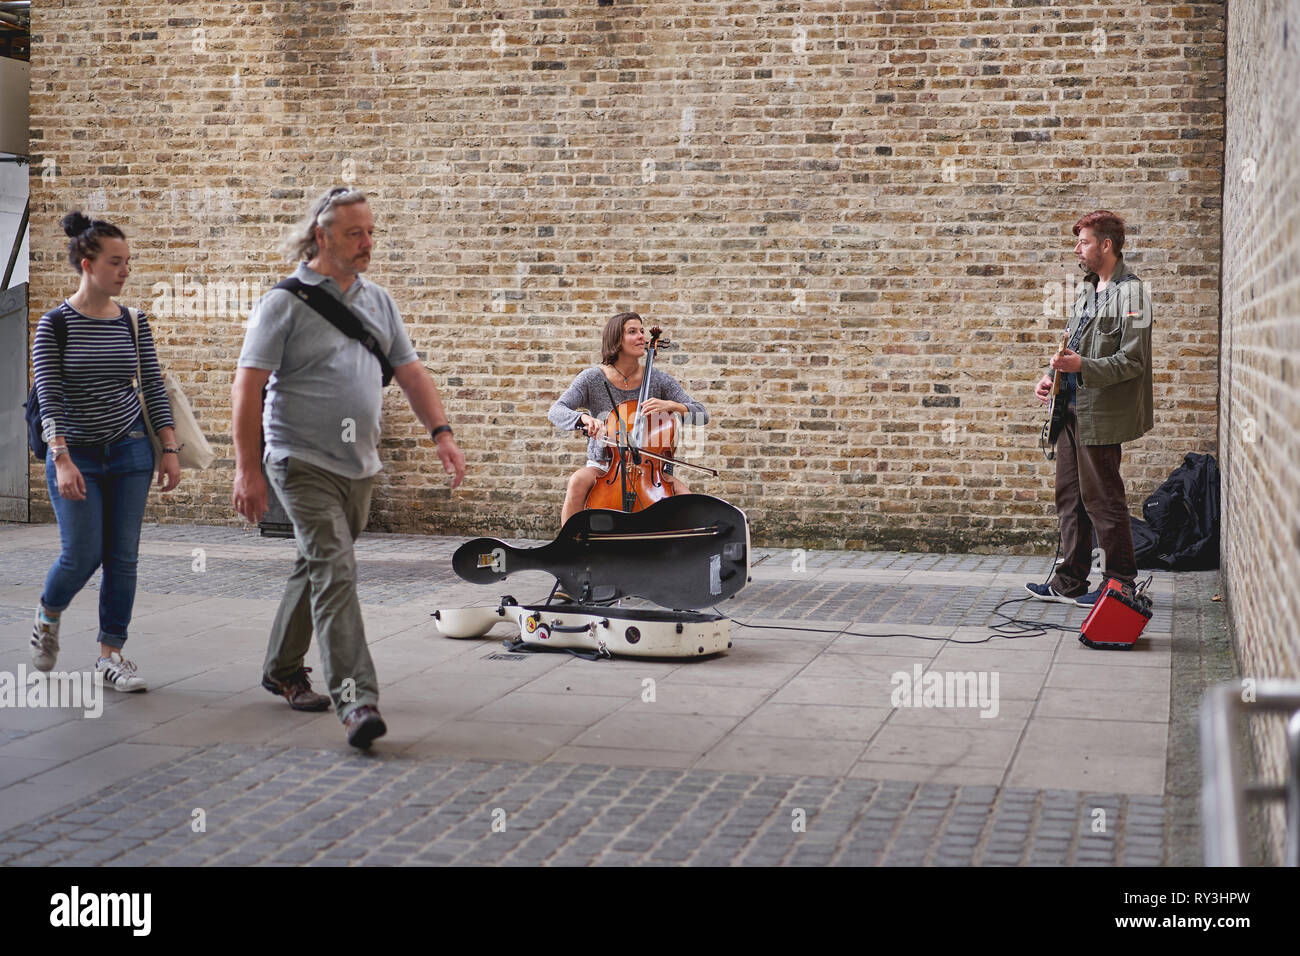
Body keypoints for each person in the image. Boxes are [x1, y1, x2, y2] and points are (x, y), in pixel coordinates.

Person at [231, 186, 466, 749]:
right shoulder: (283, 302)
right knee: (335, 569)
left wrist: (443, 433)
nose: (367, 243)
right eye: (355, 233)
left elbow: (409, 371)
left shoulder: (378, 301)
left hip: (359, 465)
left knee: (316, 563)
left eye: (370, 232)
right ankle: (357, 700)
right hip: (298, 460)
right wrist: (248, 469)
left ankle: (282, 668)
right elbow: (248, 386)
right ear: (322, 236)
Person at [30, 211, 182, 691]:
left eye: (128, 262)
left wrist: (170, 447)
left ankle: (111, 655)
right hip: (76, 457)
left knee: (123, 556)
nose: (125, 271)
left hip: (131, 451)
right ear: (86, 263)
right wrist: (61, 456)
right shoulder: (54, 324)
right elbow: (48, 394)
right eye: (116, 262)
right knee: (82, 554)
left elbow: (153, 387)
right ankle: (48, 615)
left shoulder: (133, 322)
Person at [1028, 210, 1153, 607]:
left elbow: (1133, 362)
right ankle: (1069, 582)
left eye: (1082, 241)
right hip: (1070, 407)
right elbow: (1072, 343)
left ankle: (1119, 584)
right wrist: (1051, 373)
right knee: (1069, 497)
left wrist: (1081, 367)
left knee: (1103, 500)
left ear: (1106, 245)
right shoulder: (1087, 290)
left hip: (1100, 414)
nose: (1076, 249)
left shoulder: (1133, 295)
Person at [548, 311, 708, 526]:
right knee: (578, 480)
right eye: (632, 332)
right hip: (606, 465)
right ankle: (570, 547)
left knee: (690, 504)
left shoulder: (659, 380)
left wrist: (672, 406)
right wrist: (584, 419)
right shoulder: (592, 378)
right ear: (616, 340)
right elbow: (556, 410)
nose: (641, 336)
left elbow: (702, 414)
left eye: (642, 331)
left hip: (653, 471)